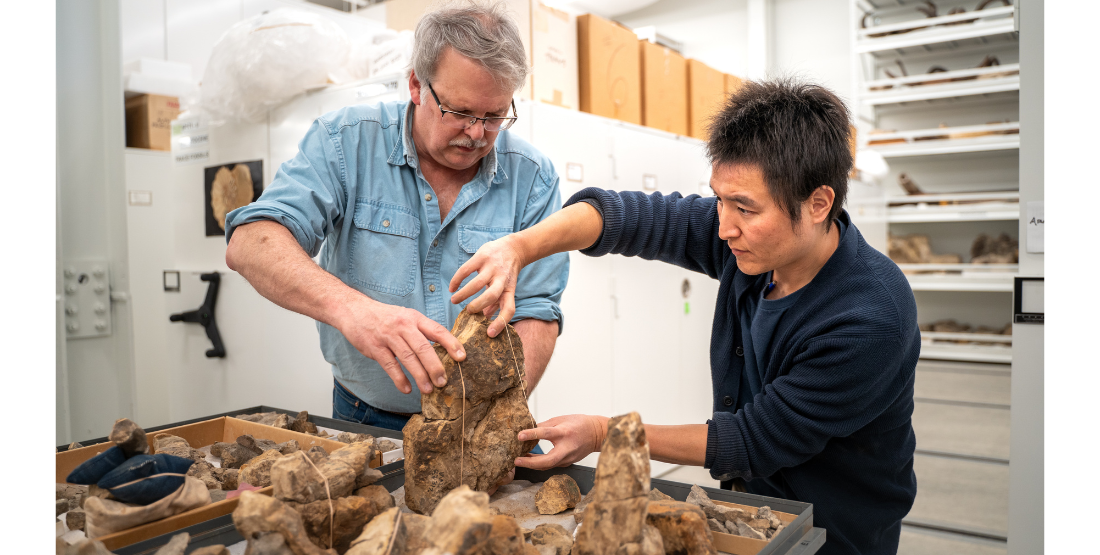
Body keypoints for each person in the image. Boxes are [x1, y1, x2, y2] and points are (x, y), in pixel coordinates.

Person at [451, 79, 919, 555]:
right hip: (750, 500)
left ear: (818, 203)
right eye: (719, 198)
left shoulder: (871, 317)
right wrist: (519, 247)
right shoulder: (751, 241)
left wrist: (601, 433)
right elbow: (624, 217)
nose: (723, 225)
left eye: (744, 208)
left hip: (837, 527)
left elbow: (753, 439)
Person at [224, 2, 568, 431]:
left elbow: (537, 308)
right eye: (460, 112)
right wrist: (354, 310)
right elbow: (251, 243)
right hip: (367, 414)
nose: (477, 133)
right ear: (416, 86)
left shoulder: (533, 177)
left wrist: (499, 411)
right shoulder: (345, 143)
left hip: (483, 419)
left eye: (495, 115)